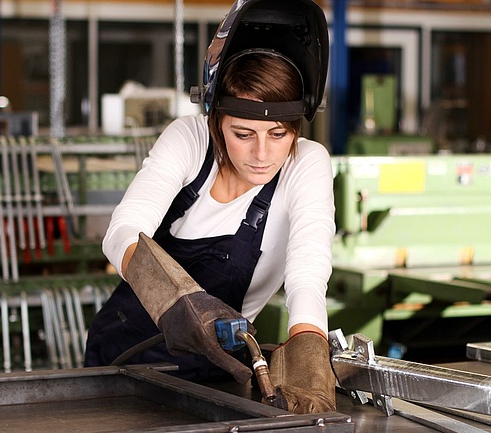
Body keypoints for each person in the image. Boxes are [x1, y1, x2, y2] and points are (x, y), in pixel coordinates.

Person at [84, 0, 336, 414]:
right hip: (122, 362)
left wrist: (309, 351)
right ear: (216, 119)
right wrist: (180, 302)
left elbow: (307, 275)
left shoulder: (307, 164)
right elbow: (123, 231)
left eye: (278, 133)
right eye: (243, 133)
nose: (262, 154)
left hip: (218, 373)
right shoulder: (189, 140)